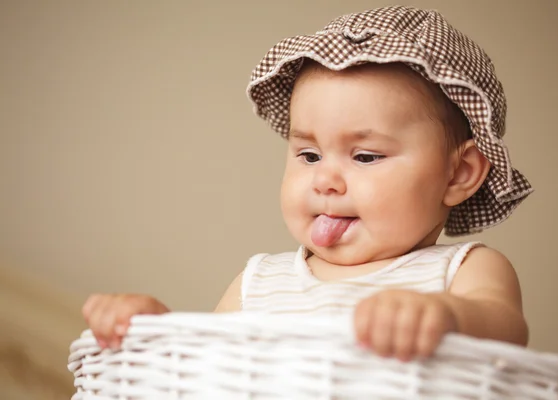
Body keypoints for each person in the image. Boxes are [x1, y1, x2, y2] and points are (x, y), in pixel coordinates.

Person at [82, 5, 533, 362]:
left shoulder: (464, 270)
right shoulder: (259, 281)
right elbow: (206, 362)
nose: (325, 180)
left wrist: (449, 316)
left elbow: (506, 327)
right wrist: (150, 329)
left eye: (365, 156)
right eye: (309, 155)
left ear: (459, 174)